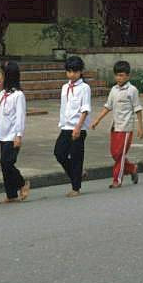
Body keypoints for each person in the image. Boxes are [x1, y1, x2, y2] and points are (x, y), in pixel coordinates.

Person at [91, 60, 143, 187]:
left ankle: (117, 180)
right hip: (115, 126)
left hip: (126, 128)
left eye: (121, 75)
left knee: (120, 154)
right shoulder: (114, 90)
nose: (118, 78)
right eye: (116, 75)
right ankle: (131, 168)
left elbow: (138, 109)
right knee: (115, 154)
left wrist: (141, 127)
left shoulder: (132, 90)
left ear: (128, 76)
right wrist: (97, 120)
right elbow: (108, 106)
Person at [0, 61, 29, 204]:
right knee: (4, 165)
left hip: (13, 135)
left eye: (1, 74)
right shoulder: (2, 94)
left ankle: (22, 183)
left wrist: (18, 135)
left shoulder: (18, 95)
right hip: (3, 135)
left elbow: (20, 116)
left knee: (7, 162)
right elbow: (0, 117)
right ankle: (11, 194)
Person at [54, 56, 91, 197]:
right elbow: (64, 107)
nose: (72, 75)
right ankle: (78, 173)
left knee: (76, 157)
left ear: (80, 72)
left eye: (75, 72)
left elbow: (85, 109)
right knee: (59, 153)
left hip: (78, 128)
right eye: (69, 71)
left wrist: (78, 127)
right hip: (66, 127)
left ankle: (76, 188)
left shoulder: (84, 88)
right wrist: (62, 124)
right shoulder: (65, 87)